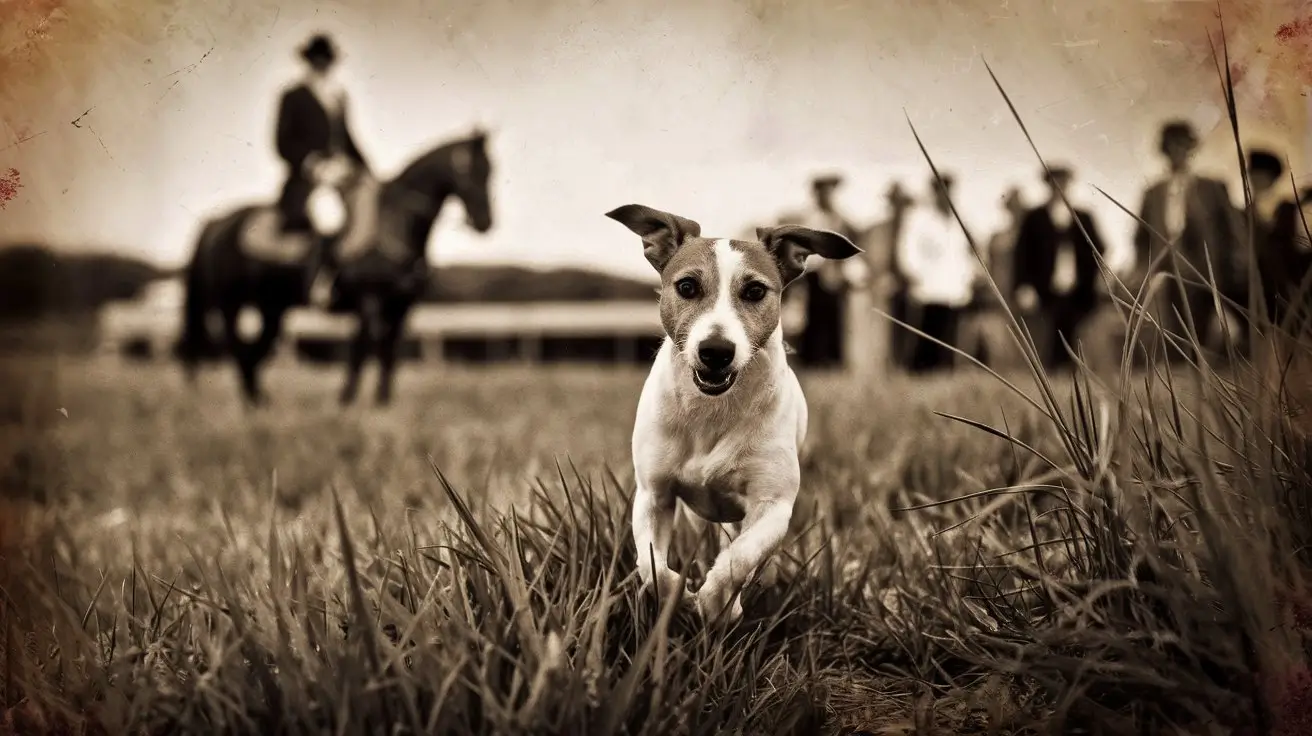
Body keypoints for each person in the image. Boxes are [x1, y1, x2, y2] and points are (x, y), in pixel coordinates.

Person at [1132, 119, 1244, 361]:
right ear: (1164, 151)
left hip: (1207, 268)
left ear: (1191, 149)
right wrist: (1144, 269)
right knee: (1173, 323)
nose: (1177, 153)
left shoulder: (1212, 187)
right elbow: (1140, 237)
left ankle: (1204, 366)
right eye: (1171, 147)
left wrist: (1233, 267)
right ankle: (1181, 371)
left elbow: (1232, 232)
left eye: (1183, 146)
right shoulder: (1153, 193)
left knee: (1205, 324)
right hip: (1167, 268)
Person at [273, 33, 371, 307]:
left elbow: (348, 140)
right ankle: (320, 283)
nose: (323, 66)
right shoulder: (292, 96)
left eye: (327, 61)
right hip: (310, 180)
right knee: (329, 216)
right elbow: (282, 142)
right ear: (309, 62)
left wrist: (367, 169)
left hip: (344, 174)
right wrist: (313, 165)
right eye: (318, 61)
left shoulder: (339, 97)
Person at [1011, 166, 1107, 371]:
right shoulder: (1034, 217)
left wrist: (1099, 278)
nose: (1059, 187)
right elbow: (1022, 254)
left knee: (1075, 330)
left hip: (1078, 287)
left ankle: (1073, 370)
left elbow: (1099, 249)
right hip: (1045, 287)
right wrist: (1024, 285)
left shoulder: (1083, 216)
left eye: (1063, 182)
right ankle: (1050, 372)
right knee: (1047, 333)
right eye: (1054, 182)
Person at [778, 173, 863, 368]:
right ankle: (813, 360)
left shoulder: (838, 217)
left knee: (834, 317)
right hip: (813, 274)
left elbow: (852, 237)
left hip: (834, 275)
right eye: (824, 191)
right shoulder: (809, 217)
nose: (828, 196)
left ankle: (833, 360)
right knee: (814, 318)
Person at [896, 173, 977, 374]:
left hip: (952, 288)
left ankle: (944, 371)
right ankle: (919, 373)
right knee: (925, 333)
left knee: (948, 335)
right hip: (928, 287)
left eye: (947, 190)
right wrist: (914, 273)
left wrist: (967, 278)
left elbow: (965, 252)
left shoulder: (958, 219)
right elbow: (907, 249)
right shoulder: (919, 217)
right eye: (940, 190)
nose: (944, 194)